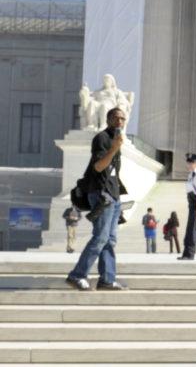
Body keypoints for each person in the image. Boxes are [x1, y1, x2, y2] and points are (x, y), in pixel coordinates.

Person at [66, 107, 129, 291]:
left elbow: (113, 172)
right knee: (100, 238)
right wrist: (115, 147)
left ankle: (107, 279)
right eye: (116, 118)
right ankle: (77, 275)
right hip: (101, 194)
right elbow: (99, 167)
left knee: (110, 240)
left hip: (113, 196)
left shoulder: (117, 140)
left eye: (123, 119)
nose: (119, 122)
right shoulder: (102, 138)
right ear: (109, 119)